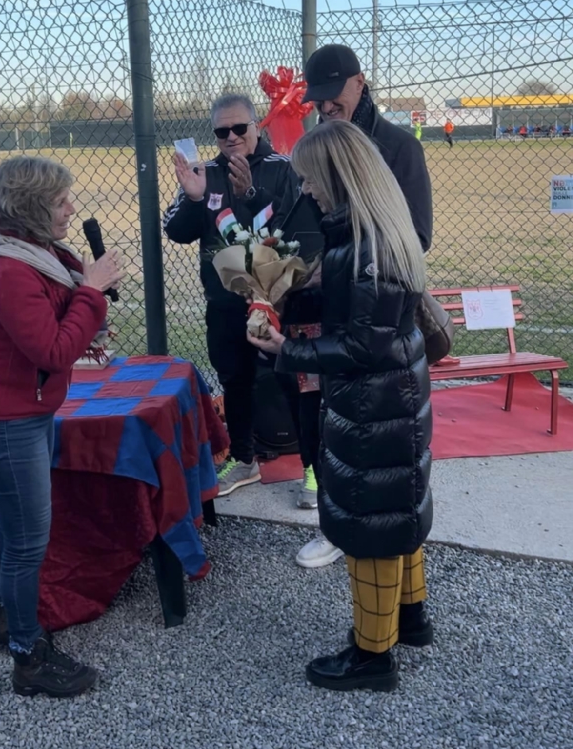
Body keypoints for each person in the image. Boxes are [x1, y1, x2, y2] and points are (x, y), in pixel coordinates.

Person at [248, 121, 433, 693]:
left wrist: (288, 348)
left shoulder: (364, 250)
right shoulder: (380, 233)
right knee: (397, 504)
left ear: (336, 176)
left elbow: (360, 345)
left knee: (368, 520)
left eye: (309, 179)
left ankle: (372, 655)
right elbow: (367, 319)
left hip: (373, 402)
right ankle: (410, 616)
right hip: (397, 397)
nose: (306, 191)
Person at [0, 156, 124, 698]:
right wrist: (93, 292)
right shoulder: (5, 269)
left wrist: (83, 285)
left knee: (13, 524)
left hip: (28, 412)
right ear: (32, 209)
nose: (72, 209)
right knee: (29, 540)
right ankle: (28, 657)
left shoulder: (34, 254)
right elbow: (54, 349)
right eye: (61, 202)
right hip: (7, 421)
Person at [276, 44, 433, 567]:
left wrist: (344, 268)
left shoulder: (398, 148)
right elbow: (315, 223)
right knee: (350, 443)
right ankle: (338, 515)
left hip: (374, 329)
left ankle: (372, 635)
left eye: (332, 95)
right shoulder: (318, 145)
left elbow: (413, 239)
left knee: (373, 475)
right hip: (347, 315)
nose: (323, 107)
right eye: (315, 99)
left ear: (360, 83)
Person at [163, 94, 298, 498]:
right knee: (234, 379)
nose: (232, 137)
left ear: (257, 126)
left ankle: (311, 464)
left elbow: (299, 227)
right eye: (222, 131)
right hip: (224, 302)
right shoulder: (205, 173)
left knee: (293, 377)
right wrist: (192, 197)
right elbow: (177, 231)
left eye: (240, 128)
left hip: (279, 301)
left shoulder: (283, 169)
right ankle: (244, 460)